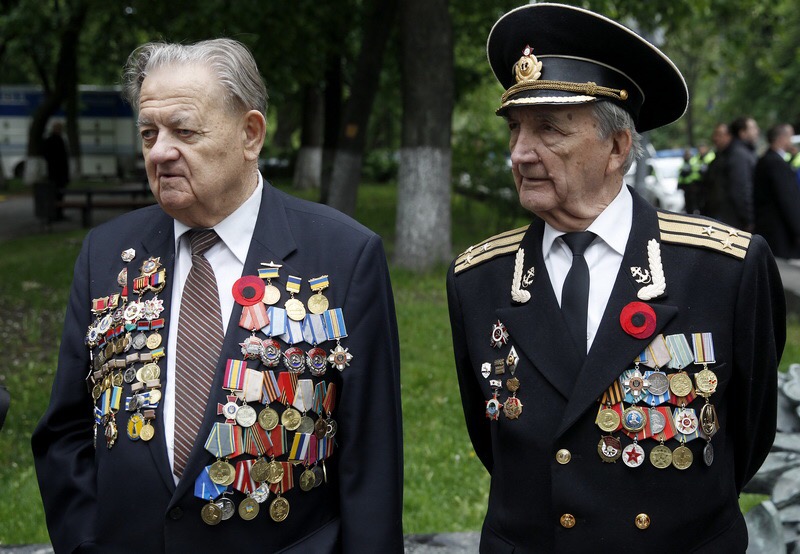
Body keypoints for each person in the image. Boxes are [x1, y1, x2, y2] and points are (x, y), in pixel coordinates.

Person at [32, 38, 403, 553]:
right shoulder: (108, 252)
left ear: (250, 134)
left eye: (183, 130)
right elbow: (66, 431)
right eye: (148, 133)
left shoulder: (342, 255)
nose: (159, 152)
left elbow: (371, 458)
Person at [447, 4, 784, 552]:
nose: (520, 153)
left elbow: (748, 435)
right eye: (515, 128)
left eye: (549, 129)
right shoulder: (478, 278)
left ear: (617, 147)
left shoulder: (724, 269)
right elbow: (495, 443)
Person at [754, 123, 800, 259]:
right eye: (790, 136)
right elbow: (788, 199)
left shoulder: (766, 159)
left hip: (768, 226)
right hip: (777, 229)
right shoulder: (776, 163)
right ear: (782, 138)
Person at [710, 116, 760, 230]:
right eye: (753, 128)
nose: (757, 131)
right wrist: (749, 220)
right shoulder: (739, 155)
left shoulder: (737, 153)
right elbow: (741, 190)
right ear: (742, 133)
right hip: (735, 221)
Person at [41, 121, 70, 220]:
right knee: (56, 195)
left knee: (58, 195)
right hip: (57, 173)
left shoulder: (55, 139)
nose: (60, 130)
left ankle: (57, 214)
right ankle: (56, 214)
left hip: (56, 173)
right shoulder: (54, 140)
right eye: (59, 128)